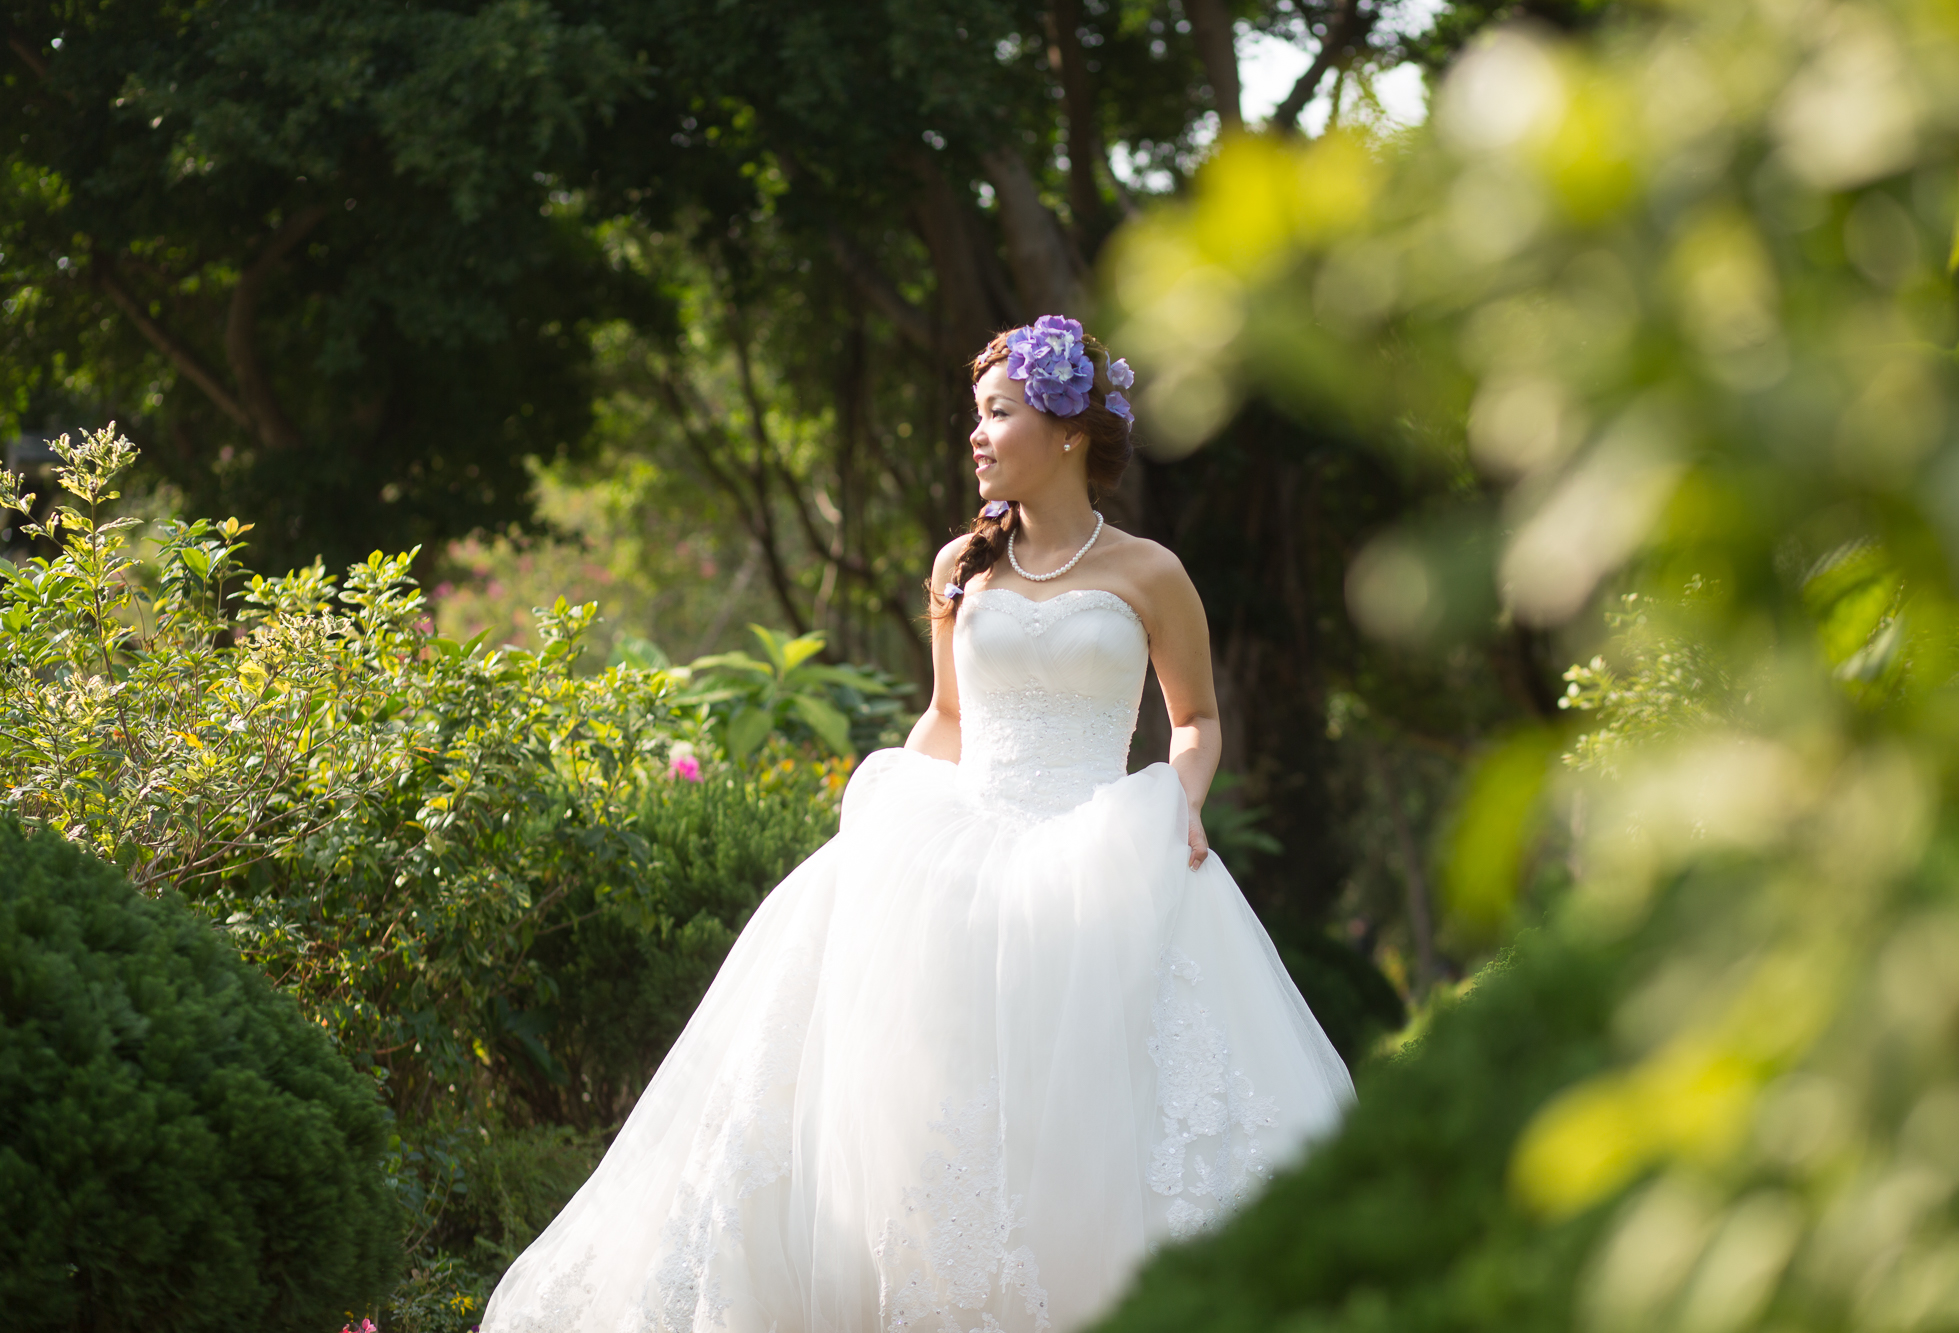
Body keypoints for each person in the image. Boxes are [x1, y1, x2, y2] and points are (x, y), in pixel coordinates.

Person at [483, 317, 1355, 1333]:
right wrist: (887, 828)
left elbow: (1195, 719)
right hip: (965, 851)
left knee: (1108, 1111)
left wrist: (1180, 802)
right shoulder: (959, 566)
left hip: (1100, 851)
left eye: (999, 413)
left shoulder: (1150, 572)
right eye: (974, 416)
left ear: (1069, 431)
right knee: (922, 1114)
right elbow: (946, 716)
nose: (976, 435)